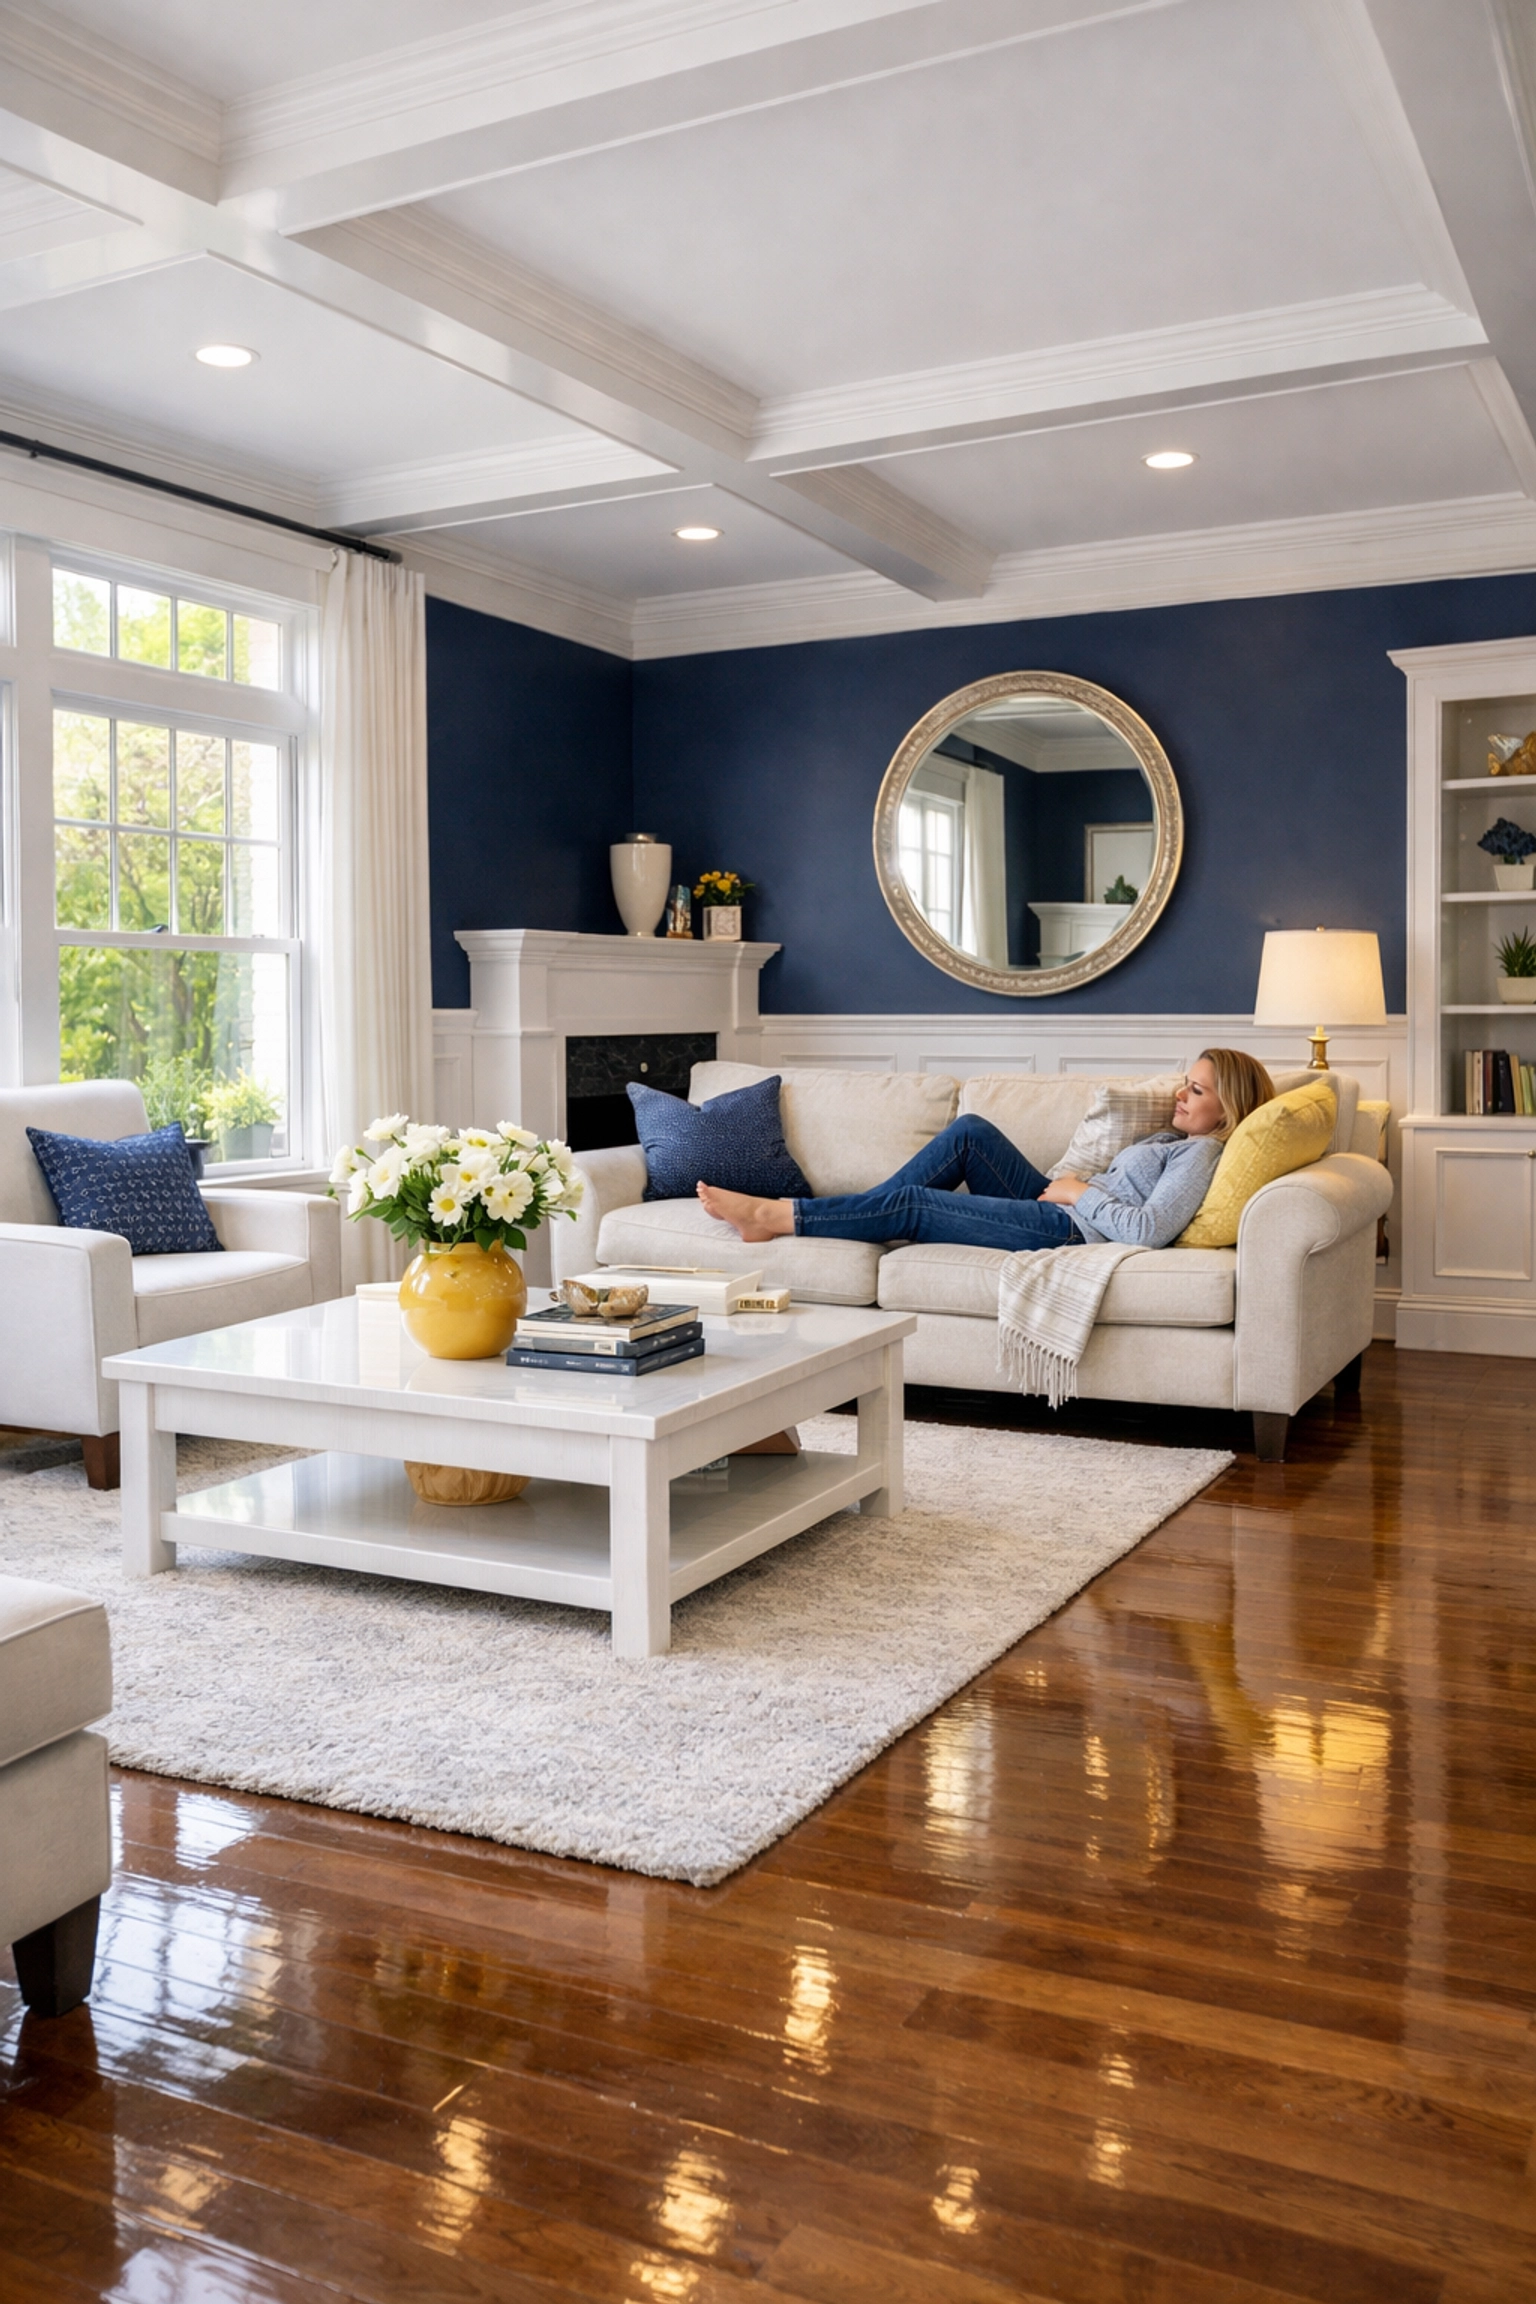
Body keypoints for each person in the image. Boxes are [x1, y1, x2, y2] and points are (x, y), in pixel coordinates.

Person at [696, 1048, 1274, 1256]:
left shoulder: (1201, 1155)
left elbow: (1148, 1229)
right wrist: (1073, 1184)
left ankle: (771, 1216)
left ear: (1228, 1108)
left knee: (917, 1207)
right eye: (1184, 1082)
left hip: (1070, 1227)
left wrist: (1082, 1193)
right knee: (971, 1130)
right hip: (1060, 1204)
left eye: (1195, 1090)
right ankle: (855, 1217)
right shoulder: (1177, 1138)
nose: (1180, 1093)